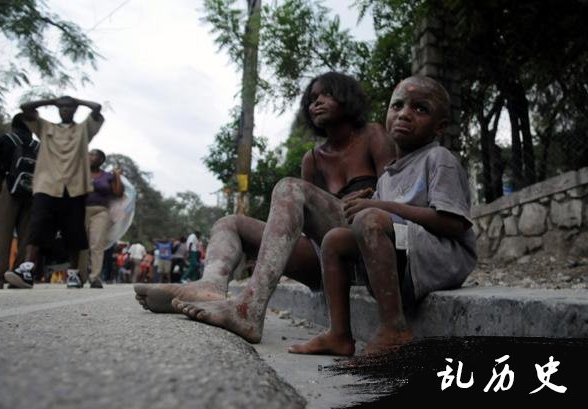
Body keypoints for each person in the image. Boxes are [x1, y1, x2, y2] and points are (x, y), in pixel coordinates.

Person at [135, 72, 395, 342]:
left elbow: (397, 196)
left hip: (367, 244)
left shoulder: (373, 135)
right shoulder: (313, 159)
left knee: (289, 188)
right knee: (229, 223)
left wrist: (371, 199)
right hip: (324, 257)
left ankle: (250, 308)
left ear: (346, 97)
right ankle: (209, 286)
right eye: (312, 98)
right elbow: (306, 226)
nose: (316, 103)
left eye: (326, 94)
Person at [288, 76, 477, 356]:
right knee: (335, 239)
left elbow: (452, 223)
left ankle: (394, 329)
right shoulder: (388, 175)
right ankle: (339, 334)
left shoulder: (438, 159)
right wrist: (361, 205)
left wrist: (383, 208)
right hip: (408, 256)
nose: (404, 114)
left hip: (441, 259)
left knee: (371, 219)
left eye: (420, 109)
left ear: (439, 127)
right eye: (397, 106)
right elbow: (380, 222)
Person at [4, 96, 104, 289]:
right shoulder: (45, 127)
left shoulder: (84, 130)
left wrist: (76, 100)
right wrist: (53, 100)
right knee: (38, 225)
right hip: (47, 185)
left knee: (74, 230)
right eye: (62, 107)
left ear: (75, 110)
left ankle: (73, 274)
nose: (65, 110)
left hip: (74, 187)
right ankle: (27, 270)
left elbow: (97, 108)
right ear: (57, 109)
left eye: (69, 107)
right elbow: (25, 108)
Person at [0, 114, 39, 289]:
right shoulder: (38, 146)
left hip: (8, 189)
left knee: (2, 234)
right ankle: (19, 274)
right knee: (25, 235)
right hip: (32, 192)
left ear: (14, 125)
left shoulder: (6, 139)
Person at [78, 149, 124, 288]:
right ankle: (79, 276)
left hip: (101, 211)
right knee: (81, 244)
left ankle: (94, 277)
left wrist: (117, 176)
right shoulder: (81, 173)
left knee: (97, 244)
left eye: (93, 155)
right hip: (81, 210)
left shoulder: (108, 176)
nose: (90, 156)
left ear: (101, 160)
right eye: (89, 154)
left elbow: (118, 193)